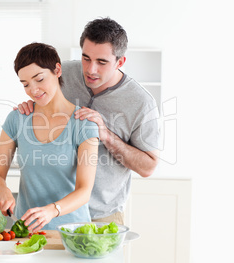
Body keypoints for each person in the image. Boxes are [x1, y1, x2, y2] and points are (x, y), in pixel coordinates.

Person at [16, 17, 160, 225]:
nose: (91, 69)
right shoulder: (62, 73)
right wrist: (29, 107)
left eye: (102, 62)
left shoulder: (141, 103)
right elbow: (36, 90)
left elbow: (148, 167)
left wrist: (106, 135)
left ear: (120, 62)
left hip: (102, 216)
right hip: (54, 213)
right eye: (86, 58)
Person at [0, 43, 99, 231]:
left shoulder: (84, 123)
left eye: (39, 79)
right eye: (25, 84)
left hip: (73, 232)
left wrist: (52, 210)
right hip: (28, 231)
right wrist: (3, 191)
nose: (33, 90)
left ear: (57, 69)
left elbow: (84, 190)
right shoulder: (17, 119)